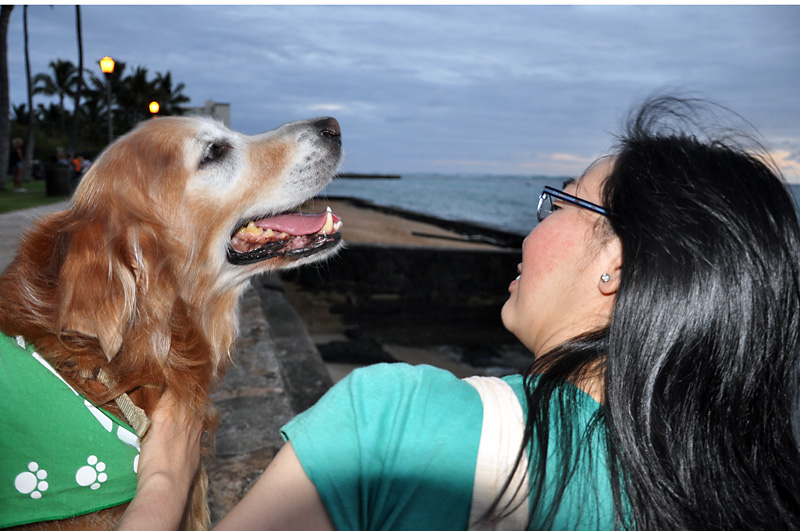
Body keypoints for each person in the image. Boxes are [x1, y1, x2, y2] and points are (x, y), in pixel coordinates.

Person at [124, 96, 800, 530]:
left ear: (617, 264)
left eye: (562, 202)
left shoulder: (392, 424)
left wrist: (161, 485)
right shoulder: (749, 490)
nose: (530, 231)